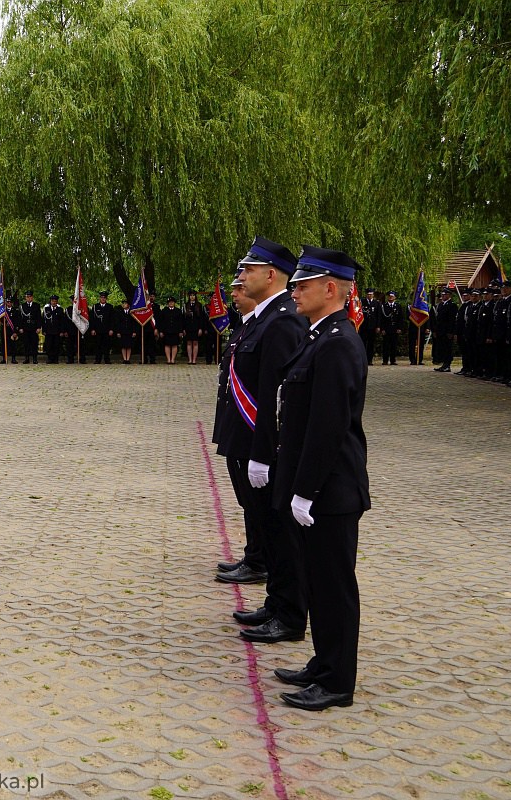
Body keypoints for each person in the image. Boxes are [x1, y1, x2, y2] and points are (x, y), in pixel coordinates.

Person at [270, 245, 369, 711]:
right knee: (318, 580)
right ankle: (323, 662)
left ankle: (335, 682)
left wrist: (305, 492)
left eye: (303, 284)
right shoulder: (319, 336)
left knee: (333, 587)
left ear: (331, 288)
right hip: (316, 488)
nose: (294, 290)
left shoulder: (337, 342)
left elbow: (327, 429)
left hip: (330, 491)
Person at [214, 236, 308, 647]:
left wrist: (264, 453)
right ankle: (276, 605)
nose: (241, 277)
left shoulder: (284, 319)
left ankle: (288, 614)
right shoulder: (262, 319)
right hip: (250, 441)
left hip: (265, 448)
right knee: (269, 530)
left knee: (281, 534)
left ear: (271, 275)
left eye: (248, 270)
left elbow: (276, 394)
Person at [211, 271, 264, 580]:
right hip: (237, 424)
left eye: (239, 289)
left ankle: (259, 560)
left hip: (250, 427)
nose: (233, 294)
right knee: (247, 500)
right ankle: (253, 554)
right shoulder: (247, 326)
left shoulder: (267, 325)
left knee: (255, 501)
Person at [431, 287, 457, 372]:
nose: (443, 296)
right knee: (442, 348)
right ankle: (443, 364)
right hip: (440, 331)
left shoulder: (452, 305)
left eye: (445, 294)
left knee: (447, 348)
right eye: (442, 294)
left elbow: (452, 320)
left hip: (447, 331)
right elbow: (437, 319)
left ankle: (447, 365)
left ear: (449, 295)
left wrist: (451, 331)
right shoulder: (440, 305)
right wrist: (434, 330)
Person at [88, 291, 116, 364]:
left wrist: (111, 329)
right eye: (102, 297)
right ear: (99, 298)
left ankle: (107, 359)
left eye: (104, 298)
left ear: (106, 298)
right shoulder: (95, 307)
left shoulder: (110, 307)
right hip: (97, 330)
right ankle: (98, 359)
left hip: (107, 330)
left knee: (106, 345)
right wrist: (92, 329)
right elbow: (92, 319)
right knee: (98, 345)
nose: (103, 299)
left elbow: (112, 319)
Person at [156, 296, 185, 364]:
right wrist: (161, 331)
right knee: (167, 345)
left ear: (174, 303)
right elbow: (161, 322)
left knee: (174, 345)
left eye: (172, 302)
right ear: (167, 303)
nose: (171, 303)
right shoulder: (164, 311)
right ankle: (168, 359)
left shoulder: (178, 311)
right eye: (169, 302)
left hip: (175, 331)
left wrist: (181, 331)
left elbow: (181, 322)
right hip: (166, 331)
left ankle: (173, 359)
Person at [183, 290, 208, 364]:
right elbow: (183, 318)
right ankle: (190, 359)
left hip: (196, 327)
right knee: (189, 343)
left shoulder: (199, 305)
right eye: (191, 295)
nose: (192, 297)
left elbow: (201, 318)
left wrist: (200, 328)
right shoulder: (185, 305)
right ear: (189, 297)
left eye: (193, 295)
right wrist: (183, 329)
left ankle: (194, 360)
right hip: (188, 327)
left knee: (195, 343)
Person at [42, 294, 68, 363]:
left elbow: (62, 322)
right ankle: (50, 359)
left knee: (56, 345)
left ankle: (56, 359)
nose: (54, 302)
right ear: (50, 301)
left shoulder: (60, 310)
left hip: (57, 331)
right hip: (48, 331)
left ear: (57, 302)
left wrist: (62, 331)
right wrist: (44, 330)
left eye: (55, 301)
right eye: (52, 301)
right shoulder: (46, 309)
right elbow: (43, 321)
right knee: (49, 345)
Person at [378, 291, 402, 365]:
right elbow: (381, 318)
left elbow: (400, 318)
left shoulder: (398, 306)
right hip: (386, 328)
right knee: (386, 345)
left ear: (395, 297)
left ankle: (393, 360)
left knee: (394, 345)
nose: (390, 297)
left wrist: (399, 328)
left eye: (392, 296)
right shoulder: (383, 306)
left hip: (395, 328)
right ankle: (385, 360)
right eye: (389, 296)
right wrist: (382, 329)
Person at [18, 290, 42, 364]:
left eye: (29, 297)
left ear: (32, 297)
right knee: (26, 344)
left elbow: (39, 318)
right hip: (25, 327)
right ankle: (27, 358)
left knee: (34, 344)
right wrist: (20, 327)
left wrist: (38, 327)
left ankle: (35, 358)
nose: (28, 298)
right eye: (27, 297)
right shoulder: (22, 306)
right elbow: (20, 318)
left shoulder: (36, 305)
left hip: (34, 327)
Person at [359, 288, 379, 365]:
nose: (369, 296)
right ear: (366, 295)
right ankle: (363, 360)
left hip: (372, 327)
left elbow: (378, 315)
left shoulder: (376, 303)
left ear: (373, 295)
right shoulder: (362, 302)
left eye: (371, 294)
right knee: (363, 343)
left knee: (371, 344)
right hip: (363, 326)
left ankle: (369, 360)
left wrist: (378, 326)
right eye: (368, 294)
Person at [116, 297, 138, 363]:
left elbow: (134, 323)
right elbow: (117, 323)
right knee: (123, 346)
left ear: (128, 305)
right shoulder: (119, 312)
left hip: (129, 331)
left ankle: (128, 359)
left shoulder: (132, 313)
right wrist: (118, 332)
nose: (124, 305)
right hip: (122, 331)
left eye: (125, 303)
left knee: (128, 346)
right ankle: (124, 359)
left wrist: (134, 331)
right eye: (123, 303)